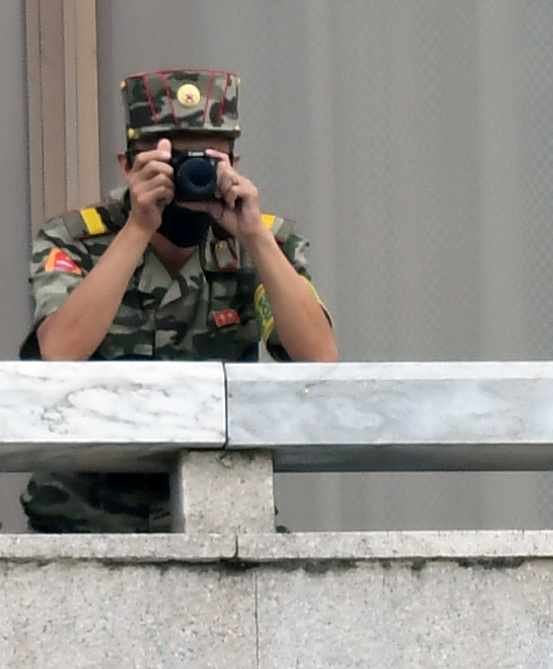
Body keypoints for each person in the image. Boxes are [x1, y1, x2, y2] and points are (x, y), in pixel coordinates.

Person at [19, 67, 335, 532]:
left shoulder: (263, 242)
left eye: (207, 160)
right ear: (128, 166)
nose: (191, 174)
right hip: (84, 520)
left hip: (223, 517)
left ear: (234, 162)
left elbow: (319, 360)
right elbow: (60, 353)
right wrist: (138, 227)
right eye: (173, 159)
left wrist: (254, 237)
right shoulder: (74, 240)